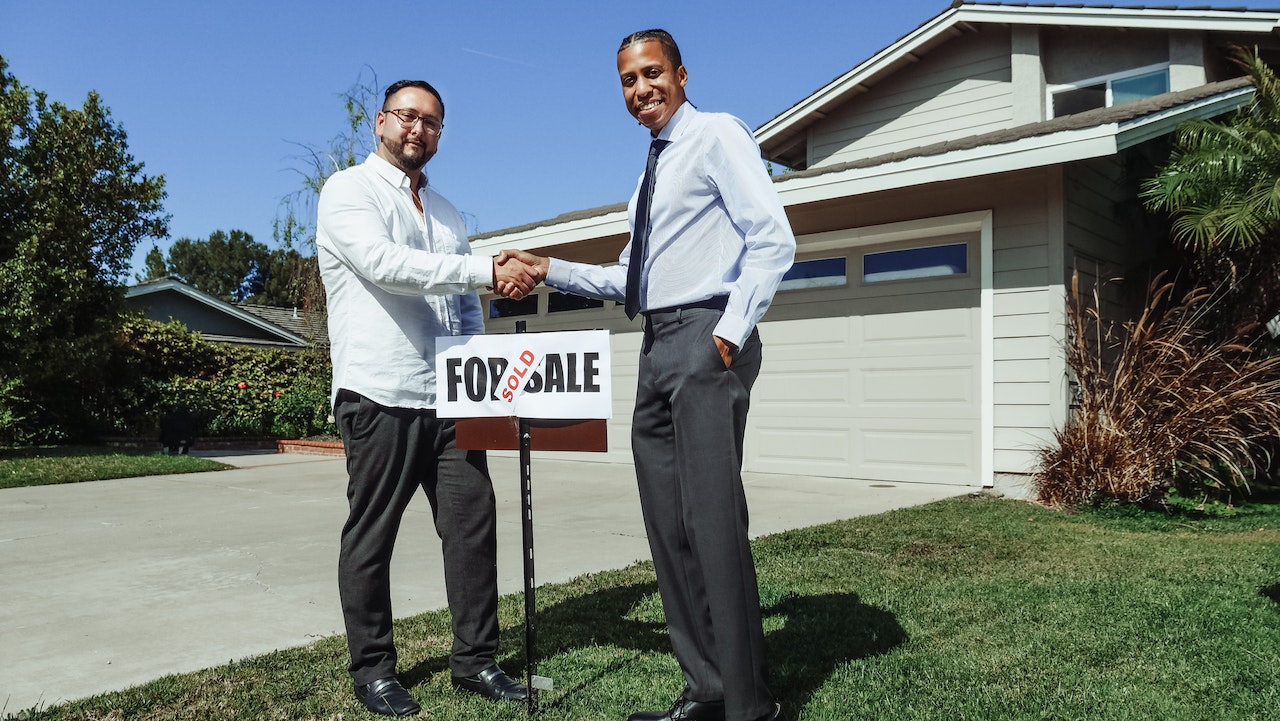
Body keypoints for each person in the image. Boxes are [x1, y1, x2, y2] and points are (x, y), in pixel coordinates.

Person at [498, 29, 794, 721]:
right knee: (668, 524)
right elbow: (630, 276)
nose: (641, 90)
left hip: (703, 336)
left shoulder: (717, 135)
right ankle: (707, 688)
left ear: (682, 74)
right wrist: (552, 269)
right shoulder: (648, 174)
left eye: (652, 73)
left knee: (712, 521)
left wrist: (726, 335)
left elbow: (773, 239)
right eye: (628, 81)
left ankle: (752, 708)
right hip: (656, 343)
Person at [317, 79, 537, 718]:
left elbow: (463, 307)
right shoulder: (347, 192)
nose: (419, 129)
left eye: (433, 122)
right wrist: (483, 269)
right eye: (408, 117)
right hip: (378, 393)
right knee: (372, 536)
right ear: (381, 122)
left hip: (450, 399)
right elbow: (387, 266)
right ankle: (375, 670)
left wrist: (476, 371)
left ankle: (475, 661)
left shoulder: (446, 212)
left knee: (473, 527)